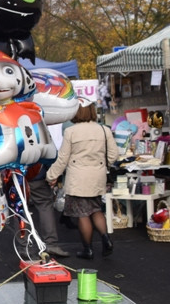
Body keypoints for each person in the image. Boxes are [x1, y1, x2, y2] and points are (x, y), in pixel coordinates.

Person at [45, 100, 118, 259]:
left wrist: (51, 175)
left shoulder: (71, 132)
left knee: (82, 214)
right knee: (96, 209)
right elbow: (113, 156)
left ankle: (88, 249)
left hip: (78, 178)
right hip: (97, 177)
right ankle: (106, 239)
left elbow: (63, 158)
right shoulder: (104, 130)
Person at [27, 176, 70, 257]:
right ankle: (51, 244)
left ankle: (24, 247)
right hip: (37, 175)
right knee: (45, 206)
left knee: (19, 209)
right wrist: (52, 175)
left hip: (15, 176)